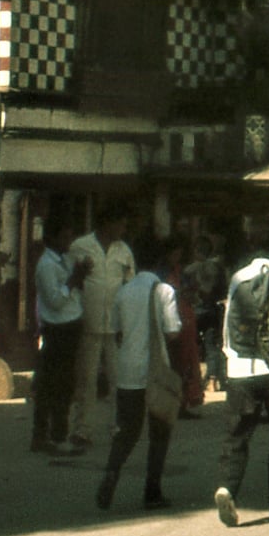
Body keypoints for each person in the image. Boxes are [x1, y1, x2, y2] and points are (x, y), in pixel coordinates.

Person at [214, 220, 269, 527]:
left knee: (236, 435)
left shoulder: (238, 277)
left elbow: (227, 323)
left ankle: (227, 487)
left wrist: (229, 356)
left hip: (240, 367)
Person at [96, 237, 182, 511]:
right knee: (159, 433)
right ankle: (152, 491)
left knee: (127, 432)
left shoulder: (124, 291)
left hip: (128, 370)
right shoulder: (164, 291)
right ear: (161, 262)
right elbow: (172, 331)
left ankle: (111, 472)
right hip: (156, 372)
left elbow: (117, 329)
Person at [67, 207, 135, 449]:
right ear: (107, 223)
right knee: (87, 379)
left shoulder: (124, 251)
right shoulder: (80, 247)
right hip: (89, 322)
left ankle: (119, 427)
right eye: (120, 224)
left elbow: (130, 286)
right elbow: (70, 283)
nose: (123, 230)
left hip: (116, 325)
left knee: (119, 379)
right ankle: (82, 429)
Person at [31, 215, 89, 454]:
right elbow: (55, 301)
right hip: (57, 330)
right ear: (52, 238)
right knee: (54, 386)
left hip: (70, 326)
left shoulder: (64, 260)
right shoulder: (46, 265)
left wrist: (79, 276)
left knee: (63, 385)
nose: (69, 240)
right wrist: (74, 280)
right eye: (64, 236)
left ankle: (52, 435)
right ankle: (51, 436)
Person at [163, 236, 205, 416]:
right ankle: (173, 403)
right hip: (172, 319)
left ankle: (183, 402)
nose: (177, 257)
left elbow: (193, 294)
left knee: (186, 362)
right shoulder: (162, 273)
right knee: (174, 363)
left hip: (186, 318)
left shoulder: (182, 272)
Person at [184, 235, 228, 393]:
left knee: (191, 345)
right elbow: (223, 289)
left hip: (195, 310)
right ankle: (213, 380)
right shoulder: (217, 268)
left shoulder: (189, 270)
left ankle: (191, 379)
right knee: (212, 345)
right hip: (212, 309)